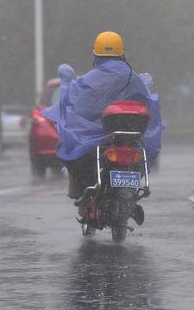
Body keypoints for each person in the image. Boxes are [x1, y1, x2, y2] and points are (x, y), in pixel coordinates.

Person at [41, 31, 163, 212]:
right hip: (130, 137)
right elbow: (146, 104)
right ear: (122, 52)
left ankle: (83, 196)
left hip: (98, 140)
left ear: (96, 54)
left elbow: (73, 104)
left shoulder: (90, 80)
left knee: (69, 151)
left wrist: (67, 82)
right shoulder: (133, 78)